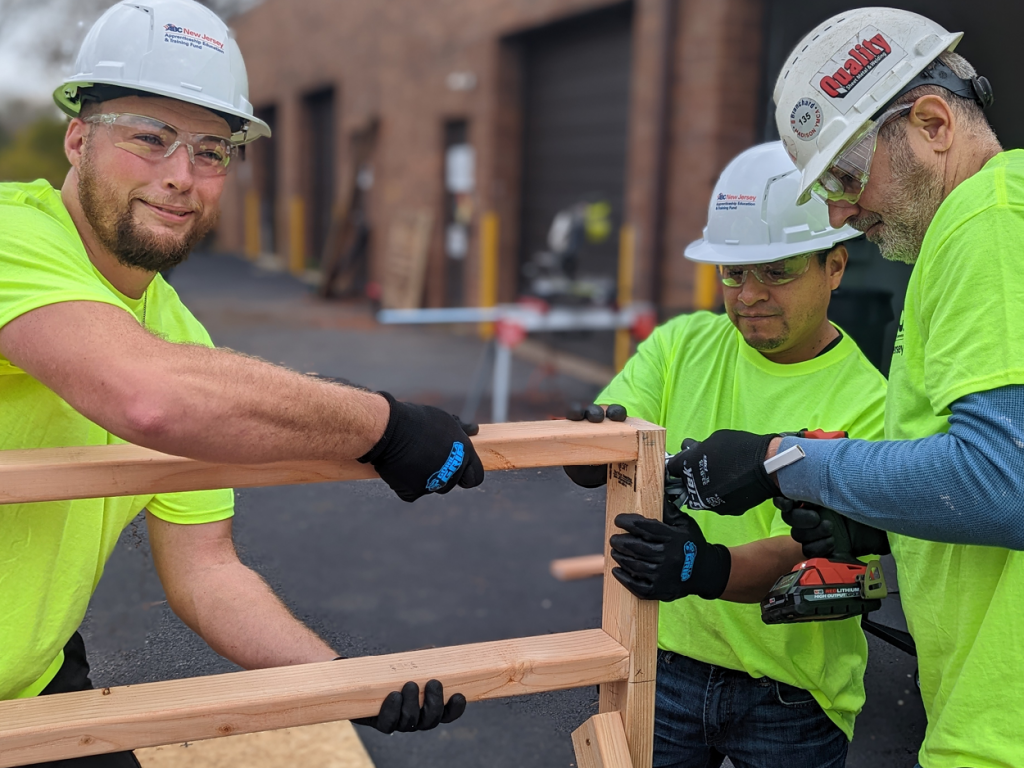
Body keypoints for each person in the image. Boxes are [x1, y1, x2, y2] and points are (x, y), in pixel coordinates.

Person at [0, 1, 477, 763]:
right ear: (79, 138)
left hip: (34, 682)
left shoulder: (180, 338)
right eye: (150, 138)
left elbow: (207, 571)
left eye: (211, 152)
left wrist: (341, 681)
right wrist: (384, 427)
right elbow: (146, 396)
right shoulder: (10, 238)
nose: (181, 178)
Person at [671, 9, 1024, 768]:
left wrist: (782, 459)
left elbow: (1008, 480)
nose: (837, 212)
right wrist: (864, 520)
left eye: (845, 174)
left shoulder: (984, 221)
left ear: (932, 122)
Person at [565, 141, 888, 768]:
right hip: (662, 665)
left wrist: (699, 567)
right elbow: (611, 447)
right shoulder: (681, 345)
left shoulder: (869, 402)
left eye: (778, 270)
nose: (749, 294)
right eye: (735, 273)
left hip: (792, 692)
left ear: (836, 266)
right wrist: (586, 447)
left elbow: (811, 553)